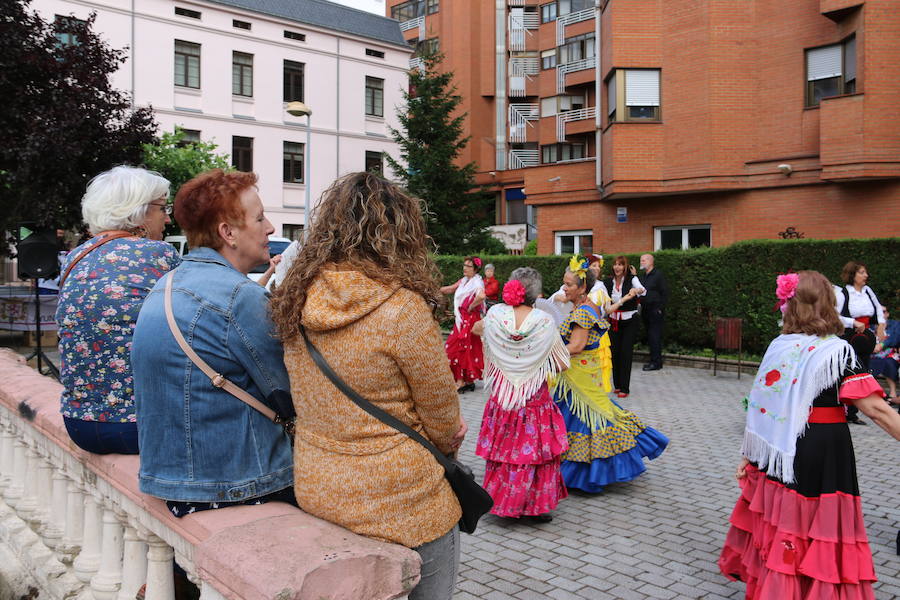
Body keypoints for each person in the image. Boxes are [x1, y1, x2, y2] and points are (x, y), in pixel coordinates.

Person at [269, 172, 466, 600]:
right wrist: (447, 442)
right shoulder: (402, 308)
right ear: (401, 234)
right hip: (404, 501)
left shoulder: (296, 300)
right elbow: (444, 418)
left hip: (320, 487)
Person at [719, 271, 900, 599]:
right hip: (821, 449)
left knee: (787, 525)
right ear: (828, 306)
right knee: (817, 525)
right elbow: (878, 411)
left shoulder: (780, 346)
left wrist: (749, 455)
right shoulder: (835, 353)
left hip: (780, 452)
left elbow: (763, 404)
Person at [132, 169, 294, 516]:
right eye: (260, 218)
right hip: (237, 483)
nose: (270, 228)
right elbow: (291, 393)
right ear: (228, 233)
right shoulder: (240, 297)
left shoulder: (166, 284)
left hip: (173, 481)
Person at [56, 166, 181, 454]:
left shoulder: (76, 256)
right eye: (163, 207)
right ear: (137, 211)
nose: (168, 216)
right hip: (137, 426)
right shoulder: (158, 254)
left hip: (78, 424)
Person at [550, 256, 669, 493]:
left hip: (579, 379)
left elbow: (576, 346)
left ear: (582, 287)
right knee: (596, 416)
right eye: (564, 283)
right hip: (581, 377)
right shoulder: (588, 306)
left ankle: (585, 475)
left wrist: (546, 354)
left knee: (587, 421)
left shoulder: (583, 313)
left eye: (569, 284)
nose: (564, 288)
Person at [474, 268, 570, 522]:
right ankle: (531, 507)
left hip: (503, 395)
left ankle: (501, 502)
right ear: (536, 294)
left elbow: (477, 330)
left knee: (504, 451)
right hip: (534, 398)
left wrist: (504, 350)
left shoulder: (495, 315)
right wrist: (534, 360)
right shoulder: (545, 321)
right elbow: (560, 363)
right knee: (533, 453)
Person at [834, 260, 885, 425]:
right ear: (852, 275)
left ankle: (855, 412)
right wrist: (852, 323)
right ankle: (845, 408)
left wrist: (881, 329)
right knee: (850, 371)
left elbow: (878, 310)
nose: (866, 275)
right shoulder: (844, 292)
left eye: (865, 272)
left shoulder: (868, 291)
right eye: (862, 272)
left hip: (866, 336)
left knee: (864, 370)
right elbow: (835, 316)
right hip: (850, 336)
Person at [601, 256, 645, 398]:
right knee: (615, 352)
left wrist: (635, 291)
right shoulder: (608, 282)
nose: (617, 267)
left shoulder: (631, 279)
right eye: (615, 264)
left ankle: (625, 388)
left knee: (626, 353)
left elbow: (643, 290)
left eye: (620, 265)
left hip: (629, 321)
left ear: (625, 267)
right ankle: (618, 385)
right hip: (613, 321)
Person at [442, 256, 486, 392]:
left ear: (475, 269)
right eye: (464, 265)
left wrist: (471, 306)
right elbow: (450, 289)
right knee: (459, 348)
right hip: (462, 320)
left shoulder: (477, 283)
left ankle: (461, 381)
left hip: (470, 320)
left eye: (468, 266)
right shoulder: (464, 281)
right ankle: (466, 380)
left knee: (461, 348)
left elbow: (481, 296)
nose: (465, 268)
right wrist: (431, 289)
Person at [638, 253, 667, 371]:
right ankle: (654, 360)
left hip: (655, 310)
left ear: (651, 261)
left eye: (644, 260)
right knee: (650, 336)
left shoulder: (658, 275)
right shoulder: (644, 276)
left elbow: (665, 292)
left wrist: (660, 308)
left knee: (654, 336)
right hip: (646, 310)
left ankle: (656, 363)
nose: (641, 262)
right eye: (641, 260)